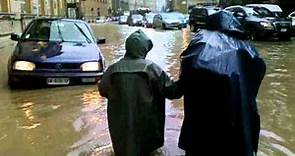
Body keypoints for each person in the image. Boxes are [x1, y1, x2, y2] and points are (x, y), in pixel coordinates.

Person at [177, 11, 266, 156]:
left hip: (202, 121)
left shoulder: (201, 39)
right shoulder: (247, 48)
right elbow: (257, 75)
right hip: (237, 121)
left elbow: (187, 71)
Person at [98, 30, 179, 156]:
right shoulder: (151, 68)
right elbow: (172, 91)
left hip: (120, 128)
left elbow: (103, 90)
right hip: (148, 127)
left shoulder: (113, 69)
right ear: (143, 49)